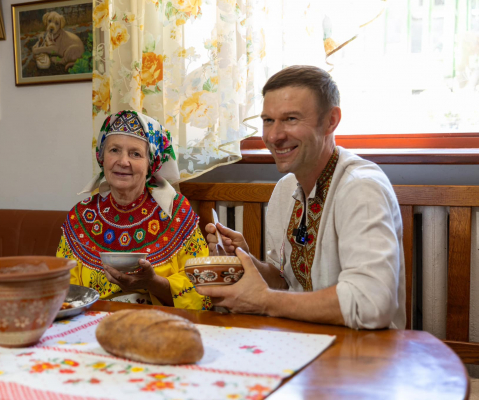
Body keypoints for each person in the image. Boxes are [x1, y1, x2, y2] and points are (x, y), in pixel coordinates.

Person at [199, 65, 405, 329]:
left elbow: (371, 304)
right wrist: (244, 259)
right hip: (302, 344)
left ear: (331, 120)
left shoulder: (361, 188)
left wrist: (264, 301)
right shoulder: (286, 189)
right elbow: (284, 283)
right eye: (268, 120)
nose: (274, 136)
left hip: (364, 356)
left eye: (291, 119)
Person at [56, 110, 211, 310]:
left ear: (151, 163)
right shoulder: (80, 217)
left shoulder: (176, 212)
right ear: (102, 157)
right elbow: (62, 292)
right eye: (114, 150)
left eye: (135, 154)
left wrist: (151, 283)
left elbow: (203, 291)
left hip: (160, 328)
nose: (123, 161)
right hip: (94, 328)